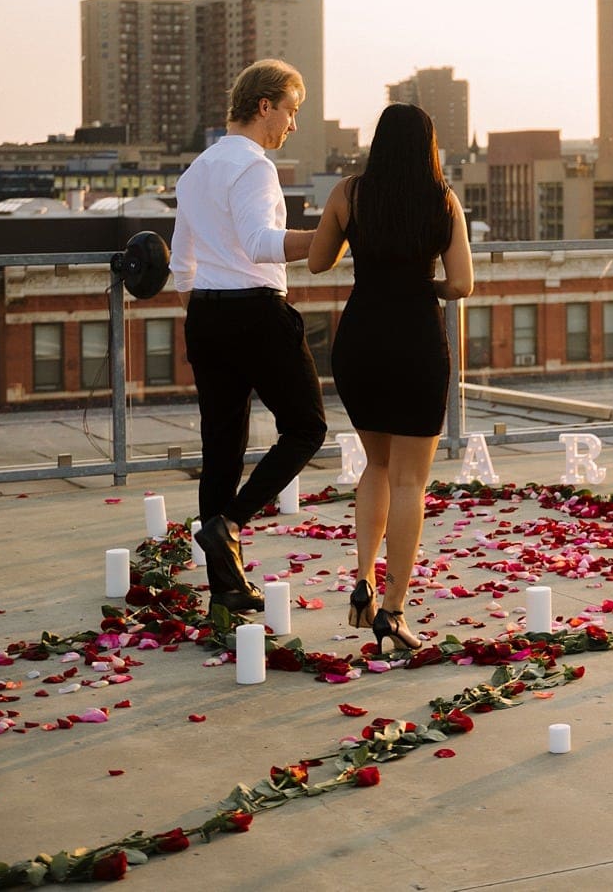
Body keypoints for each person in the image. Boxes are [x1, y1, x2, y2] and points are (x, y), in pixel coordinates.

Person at [307, 103, 473, 654]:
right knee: (409, 483)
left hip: (361, 342)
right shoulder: (443, 200)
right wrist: (426, 287)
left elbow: (317, 261)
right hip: (416, 343)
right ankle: (394, 610)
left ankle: (363, 580)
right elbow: (462, 284)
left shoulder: (348, 194)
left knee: (375, 465)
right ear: (428, 146)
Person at [170, 59, 328, 613]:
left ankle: (226, 588)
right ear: (265, 106)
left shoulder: (196, 170)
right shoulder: (255, 167)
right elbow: (262, 244)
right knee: (307, 427)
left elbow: (182, 264)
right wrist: (331, 234)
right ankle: (230, 523)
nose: (293, 124)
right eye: (291, 111)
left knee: (222, 447)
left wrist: (205, 312)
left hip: (206, 316)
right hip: (256, 313)